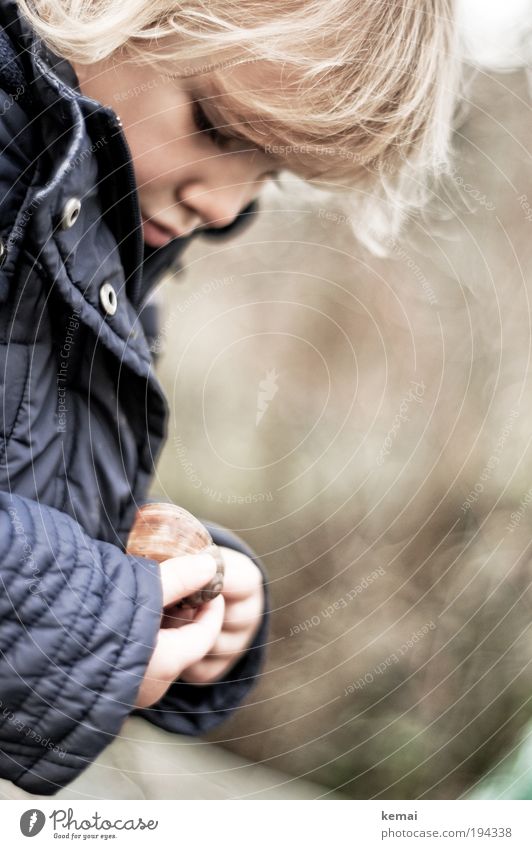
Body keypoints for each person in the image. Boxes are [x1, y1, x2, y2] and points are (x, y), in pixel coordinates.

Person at [0, 0, 458, 796]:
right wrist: (79, 619)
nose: (226, 206)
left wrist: (160, 589)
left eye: (270, 171)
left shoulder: (108, 245)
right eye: (215, 126)